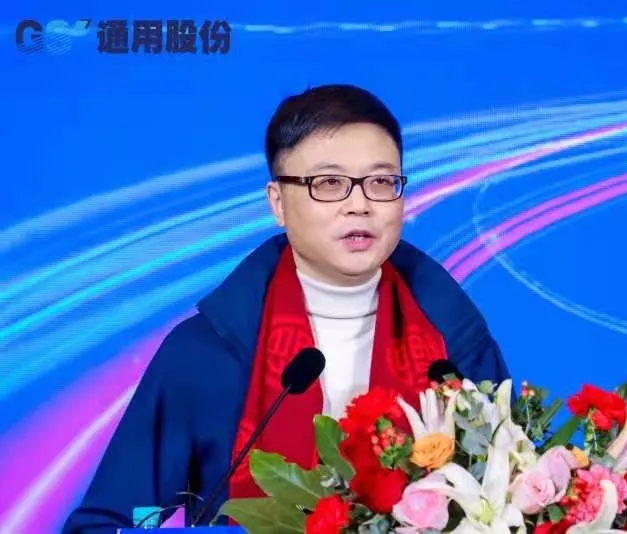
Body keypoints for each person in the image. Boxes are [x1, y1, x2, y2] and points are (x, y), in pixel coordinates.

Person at [62, 84, 512, 533]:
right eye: (329, 184)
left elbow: (509, 503)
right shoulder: (204, 354)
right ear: (277, 203)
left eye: (381, 182)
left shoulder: (453, 342)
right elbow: (109, 522)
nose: (360, 205)